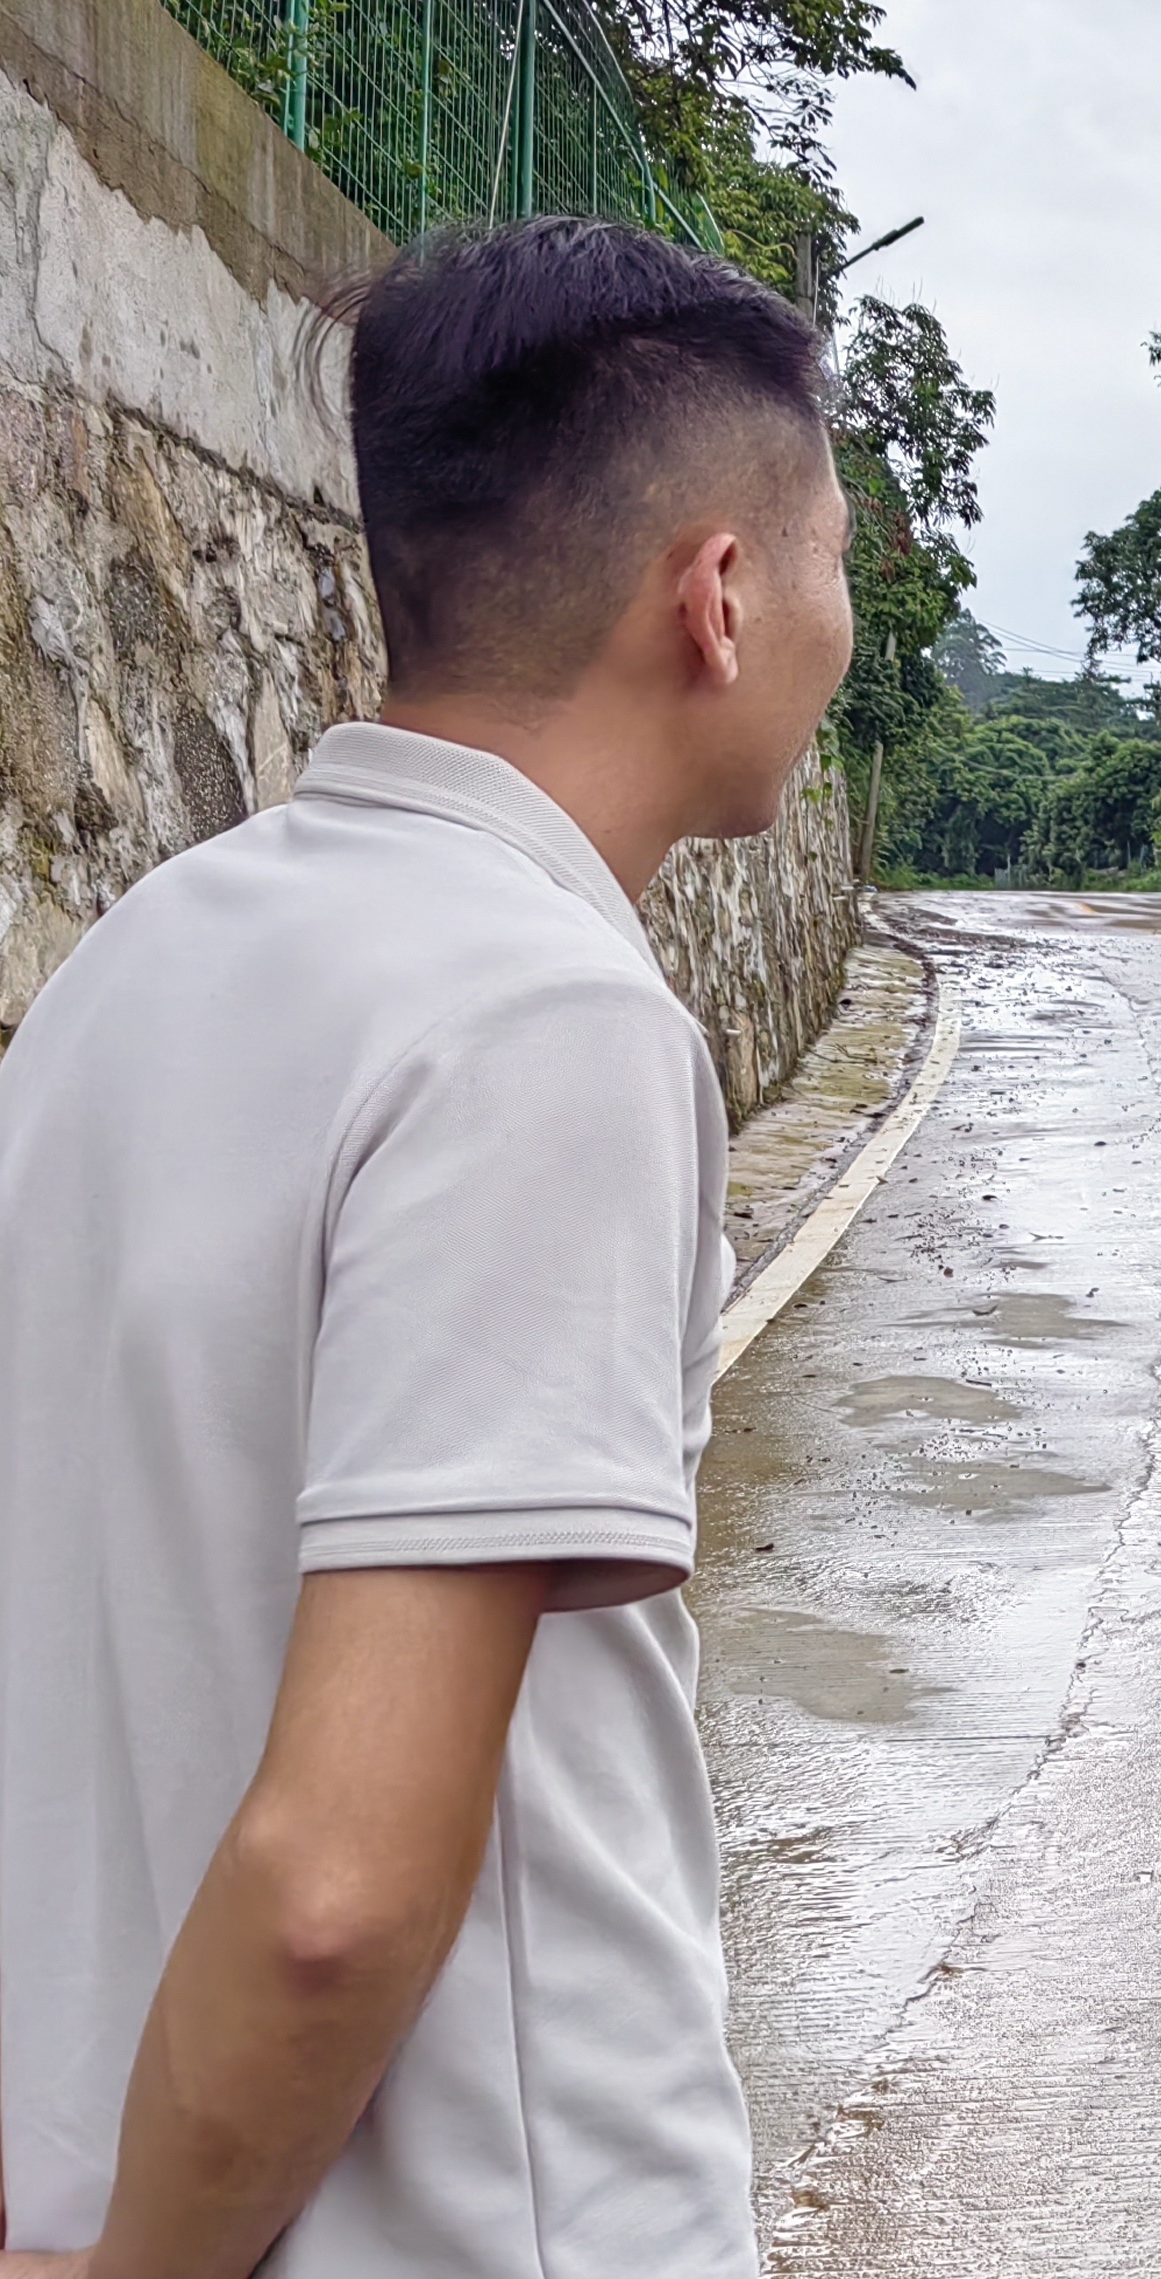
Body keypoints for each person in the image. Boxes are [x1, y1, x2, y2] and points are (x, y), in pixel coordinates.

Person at [0, 219, 850, 2275]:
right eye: (832, 556)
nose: (841, 621)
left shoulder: (135, 960)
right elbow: (336, 1890)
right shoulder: (543, 1020)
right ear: (719, 597)